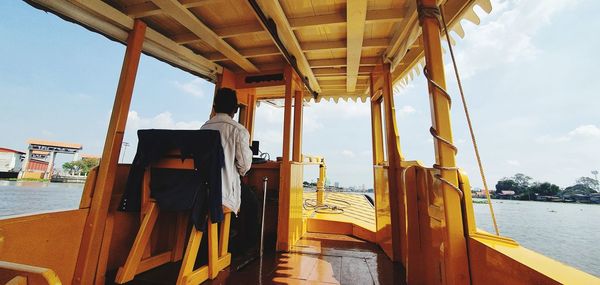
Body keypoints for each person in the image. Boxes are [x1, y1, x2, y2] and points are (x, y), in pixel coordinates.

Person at [201, 87, 253, 215]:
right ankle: (235, 234)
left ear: (214, 107)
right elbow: (245, 167)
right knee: (252, 203)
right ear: (235, 109)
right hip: (224, 191)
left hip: (202, 189)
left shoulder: (203, 128)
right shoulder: (238, 131)